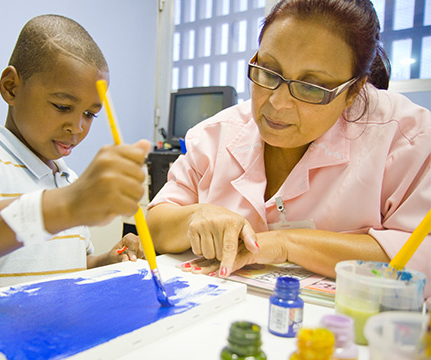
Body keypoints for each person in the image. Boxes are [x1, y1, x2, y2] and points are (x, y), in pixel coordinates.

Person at [147, 0, 431, 303]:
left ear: (354, 91)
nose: (277, 104)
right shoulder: (217, 134)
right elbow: (154, 227)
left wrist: (287, 243)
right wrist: (196, 216)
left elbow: (420, 255)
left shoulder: (406, 138)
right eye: (268, 72)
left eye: (311, 87)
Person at [0, 15, 151, 300]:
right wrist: (62, 207)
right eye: (62, 106)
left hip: (47, 339)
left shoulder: (68, 180)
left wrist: (107, 260)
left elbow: (72, 268)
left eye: (90, 114)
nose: (77, 127)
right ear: (11, 87)